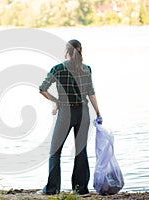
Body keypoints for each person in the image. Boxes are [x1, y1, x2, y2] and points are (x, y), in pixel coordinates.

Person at [39, 39, 102, 195]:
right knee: (81, 151)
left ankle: (52, 189)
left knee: (55, 151)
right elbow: (91, 93)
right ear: (81, 50)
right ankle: (81, 189)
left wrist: (57, 102)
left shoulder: (58, 69)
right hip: (83, 113)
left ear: (66, 51)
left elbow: (42, 89)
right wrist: (99, 113)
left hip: (65, 113)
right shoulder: (86, 69)